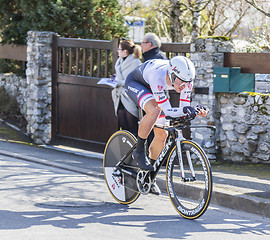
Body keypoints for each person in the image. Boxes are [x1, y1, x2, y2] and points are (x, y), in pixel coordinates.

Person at [125, 56, 208, 194]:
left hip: (156, 89)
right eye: (180, 81)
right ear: (172, 74)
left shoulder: (186, 80)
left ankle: (148, 177)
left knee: (162, 134)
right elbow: (168, 110)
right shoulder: (157, 75)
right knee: (154, 110)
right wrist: (186, 110)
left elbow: (183, 108)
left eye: (187, 82)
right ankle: (139, 151)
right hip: (137, 83)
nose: (183, 85)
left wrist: (195, 111)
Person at [111, 40, 142, 136]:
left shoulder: (135, 62)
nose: (117, 51)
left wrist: (119, 82)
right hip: (120, 97)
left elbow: (136, 80)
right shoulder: (119, 61)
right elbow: (121, 76)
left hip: (130, 96)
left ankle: (136, 149)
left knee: (132, 127)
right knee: (123, 126)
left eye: (119, 49)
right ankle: (125, 149)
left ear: (125, 51)